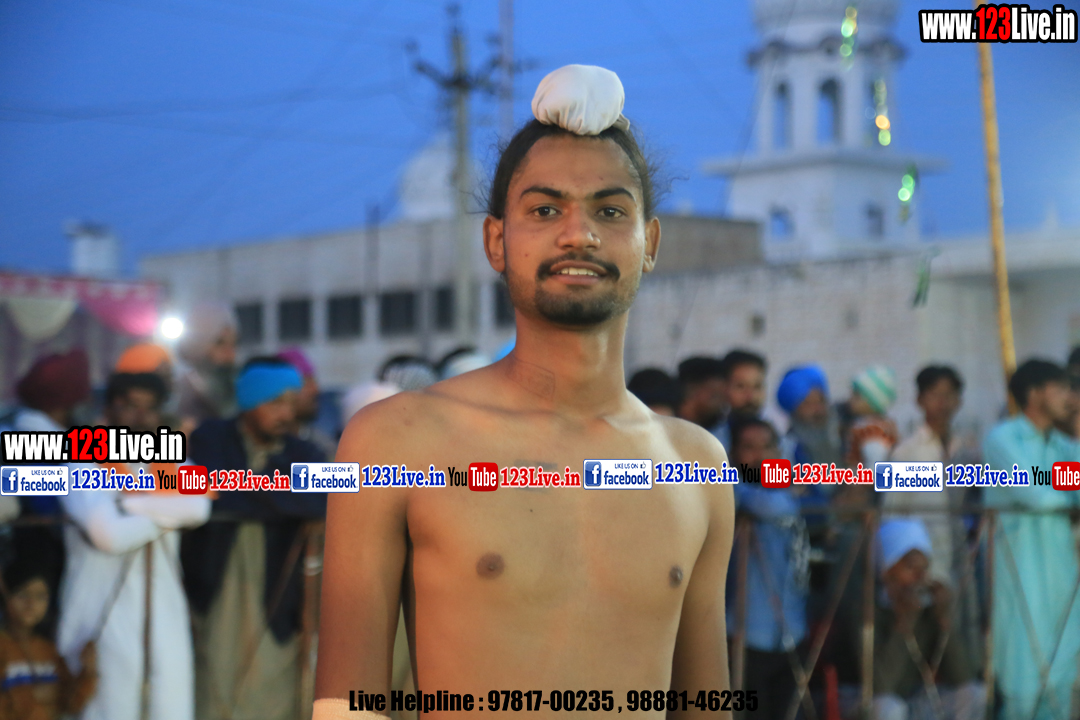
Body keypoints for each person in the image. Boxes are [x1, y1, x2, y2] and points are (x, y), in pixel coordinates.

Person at [315, 65, 734, 719]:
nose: (579, 234)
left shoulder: (697, 465)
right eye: (545, 210)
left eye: (610, 211)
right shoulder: (395, 440)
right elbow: (346, 707)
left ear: (649, 242)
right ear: (496, 241)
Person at [58, 372, 210, 720]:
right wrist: (166, 510)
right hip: (100, 615)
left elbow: (199, 508)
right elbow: (109, 536)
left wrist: (129, 504)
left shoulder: (169, 460)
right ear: (108, 409)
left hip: (164, 612)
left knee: (172, 708)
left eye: (149, 408)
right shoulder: (81, 459)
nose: (140, 416)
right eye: (129, 405)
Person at [183, 358, 327, 720]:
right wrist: (281, 492)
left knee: (273, 688)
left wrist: (243, 486)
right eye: (274, 403)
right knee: (215, 682)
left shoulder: (303, 451)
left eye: (290, 403)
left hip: (277, 594)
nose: (285, 414)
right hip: (218, 587)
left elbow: (320, 499)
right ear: (250, 402)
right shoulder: (211, 438)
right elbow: (209, 488)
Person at [983, 359, 1080, 720]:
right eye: (1062, 389)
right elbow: (1034, 494)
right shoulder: (1002, 440)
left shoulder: (1061, 446)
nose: (1070, 398)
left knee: (1060, 683)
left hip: (1061, 579)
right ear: (1035, 394)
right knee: (1021, 683)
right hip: (1021, 576)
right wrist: (1066, 493)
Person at [837, 519, 984, 720]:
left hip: (911, 699)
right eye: (910, 567)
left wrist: (944, 620)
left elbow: (962, 676)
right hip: (863, 701)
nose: (920, 577)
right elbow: (880, 687)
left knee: (975, 695)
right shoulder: (866, 608)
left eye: (925, 568)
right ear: (887, 570)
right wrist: (904, 623)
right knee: (890, 709)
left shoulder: (925, 608)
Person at [726, 416, 810, 720]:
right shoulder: (735, 492)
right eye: (749, 447)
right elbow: (772, 507)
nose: (760, 455)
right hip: (748, 636)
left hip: (793, 631)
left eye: (768, 446)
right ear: (734, 455)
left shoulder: (787, 491)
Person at [0, 559, 97, 720]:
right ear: (6, 596)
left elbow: (70, 704)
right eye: (23, 594)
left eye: (40, 597)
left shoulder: (48, 650)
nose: (31, 603)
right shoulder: (3, 647)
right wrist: (31, 698)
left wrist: (88, 672)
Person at [175, 302, 238, 433]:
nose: (230, 354)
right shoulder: (178, 397)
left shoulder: (237, 394)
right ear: (197, 346)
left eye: (234, 344)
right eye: (220, 343)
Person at [277, 347, 337, 459]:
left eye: (314, 382)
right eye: (306, 382)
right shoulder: (263, 449)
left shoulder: (322, 445)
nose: (315, 390)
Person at [776, 365, 842, 466]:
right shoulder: (787, 449)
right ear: (794, 411)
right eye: (808, 404)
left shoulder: (847, 431)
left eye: (821, 401)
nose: (819, 410)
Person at [840, 365, 899, 468]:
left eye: (857, 396)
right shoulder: (865, 425)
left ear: (873, 402)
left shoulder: (872, 432)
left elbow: (875, 465)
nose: (851, 399)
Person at [713, 350, 767, 450]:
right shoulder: (711, 442)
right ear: (724, 388)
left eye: (757, 387)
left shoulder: (781, 444)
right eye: (740, 386)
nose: (750, 396)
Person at [677, 356, 728, 430]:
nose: (721, 403)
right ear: (692, 389)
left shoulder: (716, 428)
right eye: (715, 396)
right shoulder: (664, 422)